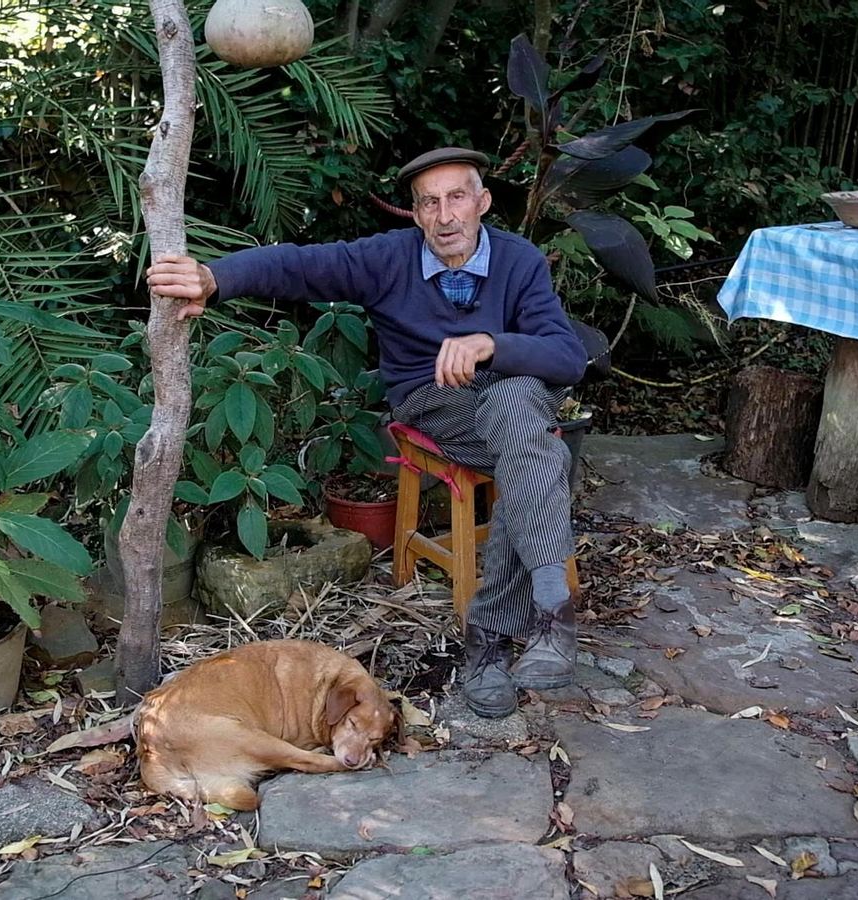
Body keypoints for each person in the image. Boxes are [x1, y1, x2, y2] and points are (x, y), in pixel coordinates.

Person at [146, 147, 596, 719]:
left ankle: (487, 641)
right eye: (429, 203)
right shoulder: (387, 258)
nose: (446, 216)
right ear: (414, 213)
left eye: (458, 197)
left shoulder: (519, 259)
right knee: (533, 449)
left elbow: (567, 357)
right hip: (438, 403)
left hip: (516, 401)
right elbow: (299, 264)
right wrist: (215, 277)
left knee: (516, 410)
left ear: (482, 203)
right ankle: (550, 608)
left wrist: (492, 345)